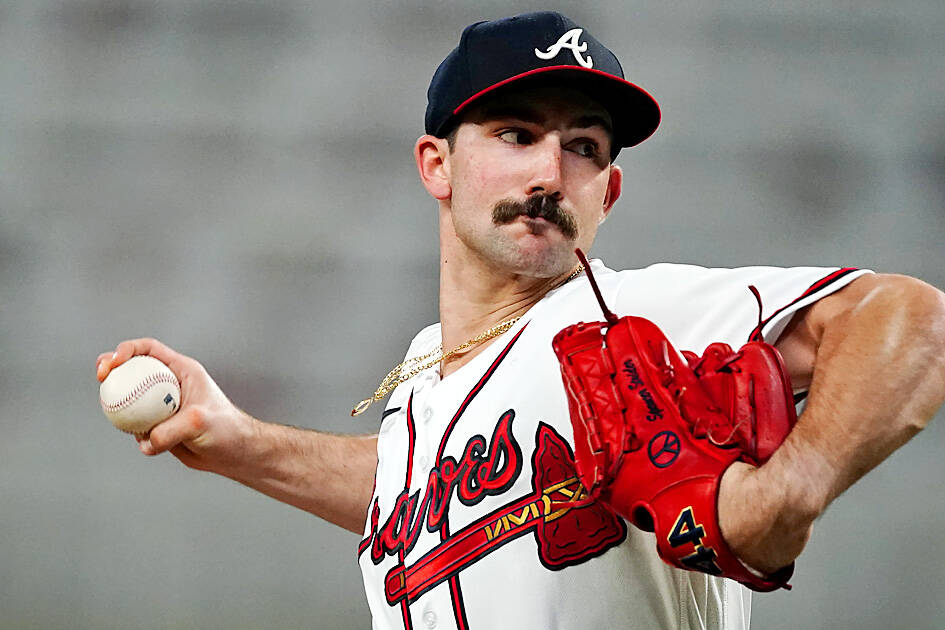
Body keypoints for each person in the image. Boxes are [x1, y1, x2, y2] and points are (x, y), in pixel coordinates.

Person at [96, 11, 945, 630]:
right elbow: (419, 490)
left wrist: (789, 490)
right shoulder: (427, 365)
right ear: (436, 165)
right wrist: (241, 442)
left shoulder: (638, 318)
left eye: (584, 148)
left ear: (608, 192)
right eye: (515, 133)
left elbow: (914, 319)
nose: (549, 172)